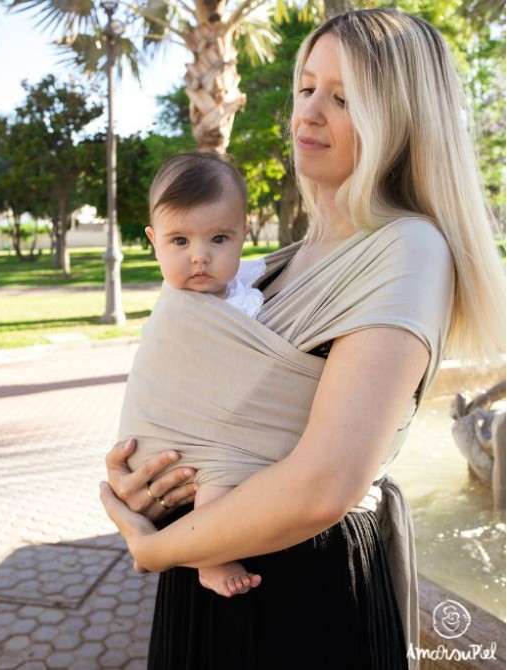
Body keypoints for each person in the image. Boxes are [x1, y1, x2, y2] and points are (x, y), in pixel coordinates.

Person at [100, 9, 505, 670]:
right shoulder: (278, 264)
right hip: (213, 566)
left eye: (342, 98)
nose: (307, 114)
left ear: (398, 120)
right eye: (305, 88)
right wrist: (142, 478)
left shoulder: (408, 249)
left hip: (297, 593)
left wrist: (153, 547)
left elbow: (324, 485)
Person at [119, 151, 269, 597]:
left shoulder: (246, 289)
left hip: (213, 428)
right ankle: (211, 556)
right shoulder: (180, 309)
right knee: (221, 471)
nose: (200, 257)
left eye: (219, 239)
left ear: (244, 234)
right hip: (174, 439)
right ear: (154, 241)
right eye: (180, 242)